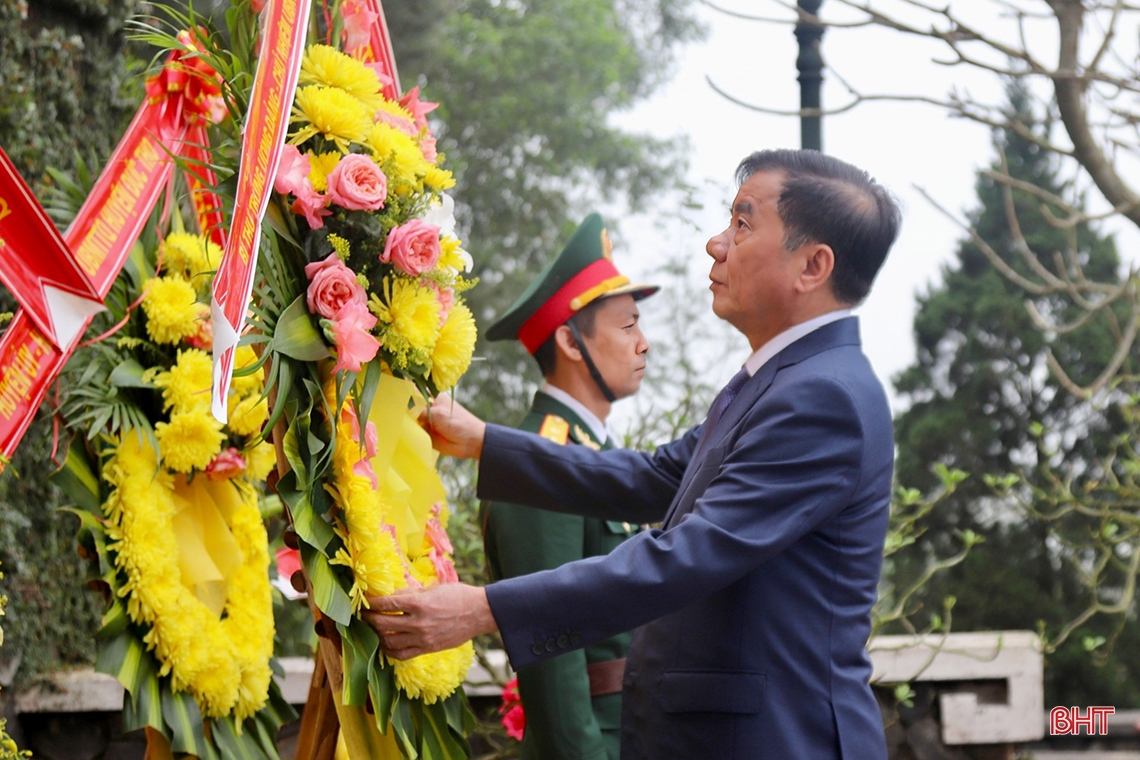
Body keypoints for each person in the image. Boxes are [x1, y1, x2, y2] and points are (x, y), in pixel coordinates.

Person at [363, 149, 902, 759]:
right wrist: (487, 443)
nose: (715, 244)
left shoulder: (820, 396)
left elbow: (688, 557)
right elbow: (658, 476)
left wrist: (484, 609)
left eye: (743, 224)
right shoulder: (780, 380)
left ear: (813, 265)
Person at [480, 212, 657, 760]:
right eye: (627, 325)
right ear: (571, 342)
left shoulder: (593, 455)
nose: (644, 343)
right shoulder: (540, 461)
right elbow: (554, 660)